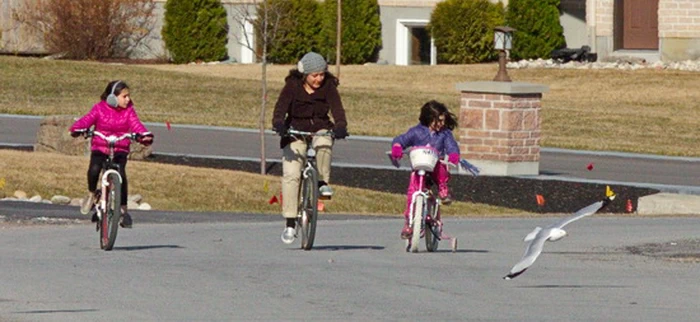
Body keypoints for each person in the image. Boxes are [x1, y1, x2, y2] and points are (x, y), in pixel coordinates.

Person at [272, 51, 349, 244]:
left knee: (324, 142)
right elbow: (280, 108)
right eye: (314, 75)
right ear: (304, 74)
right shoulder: (292, 86)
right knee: (291, 174)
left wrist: (341, 126)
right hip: (295, 132)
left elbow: (337, 109)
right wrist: (279, 124)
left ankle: (322, 183)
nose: (319, 79)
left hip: (320, 128)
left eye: (322, 74)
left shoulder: (329, 87)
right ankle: (290, 222)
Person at [70, 80, 153, 228]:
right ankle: (91, 193)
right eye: (124, 96)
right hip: (100, 147)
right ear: (112, 97)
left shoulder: (129, 111)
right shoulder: (99, 108)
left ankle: (122, 210)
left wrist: (144, 135)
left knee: (121, 174)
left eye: (128, 96)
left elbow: (136, 124)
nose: (128, 99)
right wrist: (77, 128)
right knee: (94, 169)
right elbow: (87, 119)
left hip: (120, 148)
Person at [390, 100, 459, 239]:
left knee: (441, 169)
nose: (441, 124)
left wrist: (453, 155)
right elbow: (402, 139)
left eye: (443, 121)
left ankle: (443, 188)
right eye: (438, 121)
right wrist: (397, 146)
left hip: (435, 165)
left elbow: (451, 145)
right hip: (419, 166)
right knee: (412, 192)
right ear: (429, 118)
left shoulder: (444, 134)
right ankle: (409, 223)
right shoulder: (416, 132)